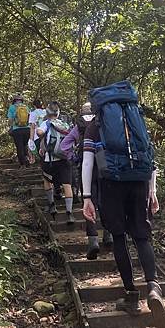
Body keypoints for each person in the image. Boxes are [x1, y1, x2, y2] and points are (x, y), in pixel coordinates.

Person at [81, 81, 165, 326]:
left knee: (119, 237)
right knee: (142, 236)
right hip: (140, 182)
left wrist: (87, 197)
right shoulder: (136, 119)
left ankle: (131, 296)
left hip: (111, 184)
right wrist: (152, 191)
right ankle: (153, 287)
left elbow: (87, 163)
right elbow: (150, 158)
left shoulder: (95, 125)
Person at [60, 102, 112, 260]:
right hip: (105, 167)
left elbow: (64, 146)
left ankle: (93, 241)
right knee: (106, 201)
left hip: (86, 167)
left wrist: (73, 157)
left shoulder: (79, 125)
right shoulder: (105, 122)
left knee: (89, 201)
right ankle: (108, 235)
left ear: (82, 112)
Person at [37, 102, 74, 224]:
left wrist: (40, 132)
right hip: (64, 159)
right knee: (67, 185)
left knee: (47, 181)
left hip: (50, 160)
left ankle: (52, 204)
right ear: (58, 113)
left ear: (47, 113)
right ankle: (69, 213)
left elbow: (40, 133)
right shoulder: (64, 123)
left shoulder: (46, 123)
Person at [7, 94, 31, 167]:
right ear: (21, 100)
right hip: (27, 129)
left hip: (17, 130)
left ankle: (22, 164)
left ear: (14, 100)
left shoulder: (12, 107)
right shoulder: (26, 107)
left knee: (19, 146)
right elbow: (29, 118)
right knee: (25, 145)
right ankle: (27, 159)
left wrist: (11, 126)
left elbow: (10, 119)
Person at [28, 99, 46, 163]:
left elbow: (32, 127)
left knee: (41, 154)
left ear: (34, 106)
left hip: (37, 136)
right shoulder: (46, 111)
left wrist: (31, 140)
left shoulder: (33, 113)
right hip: (47, 135)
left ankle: (44, 169)